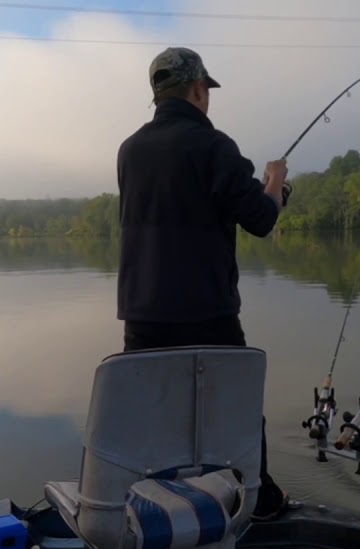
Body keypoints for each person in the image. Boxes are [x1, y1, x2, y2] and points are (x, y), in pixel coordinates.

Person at [115, 46, 291, 521]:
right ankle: (259, 501)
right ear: (197, 89)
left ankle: (154, 509)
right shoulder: (213, 146)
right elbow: (259, 219)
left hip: (142, 314)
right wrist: (275, 182)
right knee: (236, 411)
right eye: (205, 90)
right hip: (206, 312)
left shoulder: (129, 150)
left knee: (154, 415)